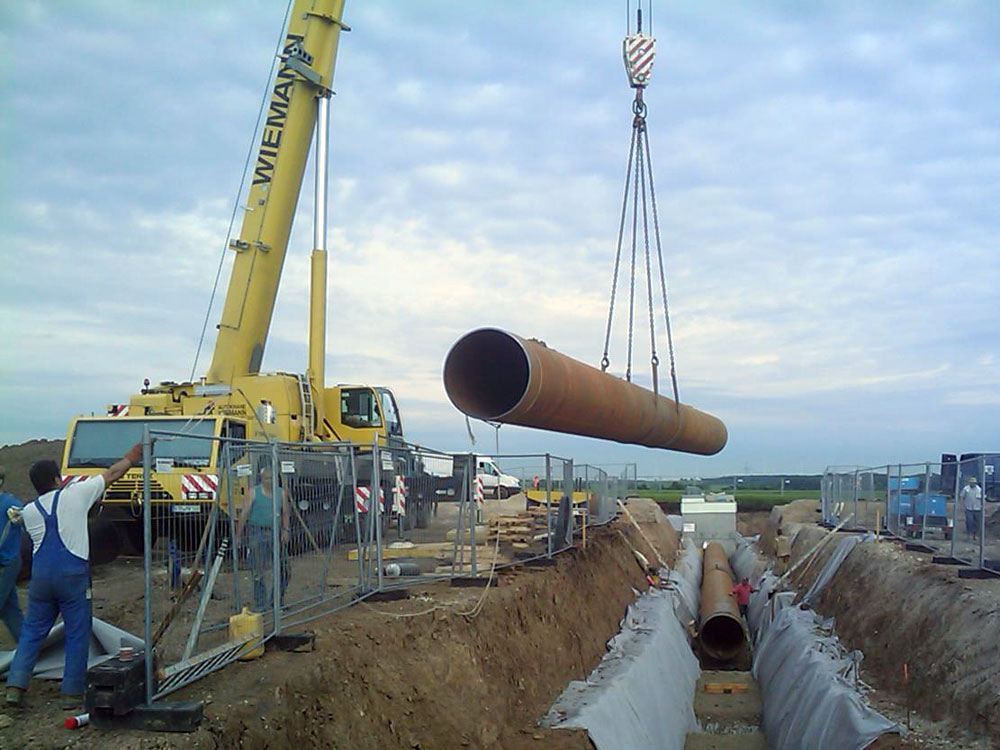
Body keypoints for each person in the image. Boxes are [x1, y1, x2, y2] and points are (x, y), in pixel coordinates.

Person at [5, 443, 141, 709]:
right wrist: (131, 457)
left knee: (32, 631)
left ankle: (15, 686)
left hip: (41, 578)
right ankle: (71, 693)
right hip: (72, 576)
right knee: (78, 631)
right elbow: (112, 474)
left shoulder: (30, 510)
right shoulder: (76, 494)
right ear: (57, 479)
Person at [235, 465, 290, 612]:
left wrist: (286, 529)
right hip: (257, 533)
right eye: (266, 478)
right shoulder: (253, 493)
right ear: (261, 479)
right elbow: (244, 514)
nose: (269, 481)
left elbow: (285, 513)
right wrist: (238, 535)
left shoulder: (281, 493)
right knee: (257, 570)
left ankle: (276, 601)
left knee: (284, 569)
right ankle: (261, 604)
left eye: (272, 478)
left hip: (275, 533)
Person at [0, 466, 25, 642]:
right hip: (7, 561)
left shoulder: (10, 503)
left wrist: (22, 515)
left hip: (6, 562)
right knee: (10, 609)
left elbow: (26, 517)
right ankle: (29, 651)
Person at [959, 476, 983, 542]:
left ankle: (976, 535)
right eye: (971, 483)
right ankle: (969, 535)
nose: (973, 484)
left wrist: (984, 506)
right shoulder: (966, 489)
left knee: (977, 523)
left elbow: (983, 498)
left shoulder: (979, 489)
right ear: (969, 483)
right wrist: (961, 506)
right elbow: (961, 497)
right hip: (968, 508)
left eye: (974, 483)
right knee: (969, 522)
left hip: (977, 509)